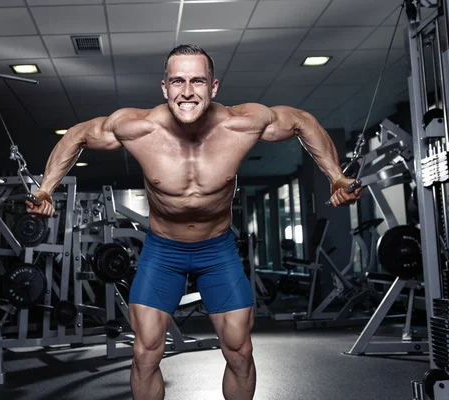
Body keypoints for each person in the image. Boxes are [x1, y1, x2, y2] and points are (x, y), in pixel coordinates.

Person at [26, 44, 360, 400]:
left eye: (198, 81)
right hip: (162, 252)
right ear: (164, 87)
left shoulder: (241, 124)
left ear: (213, 87)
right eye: (178, 81)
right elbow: (78, 135)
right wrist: (46, 189)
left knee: (240, 351)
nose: (187, 91)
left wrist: (336, 177)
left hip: (217, 251)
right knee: (145, 352)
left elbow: (300, 121)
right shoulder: (137, 128)